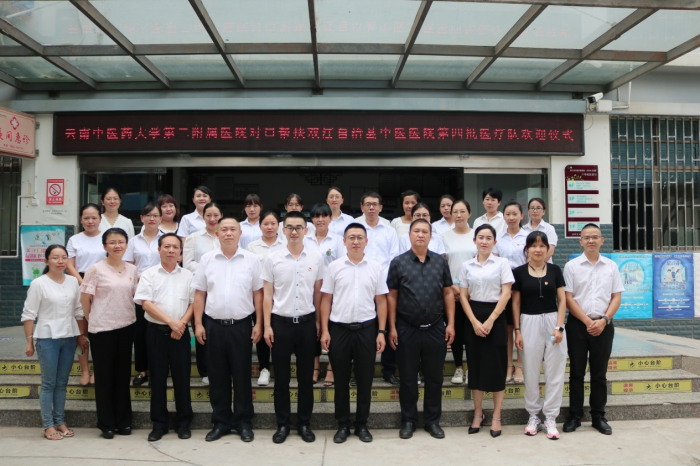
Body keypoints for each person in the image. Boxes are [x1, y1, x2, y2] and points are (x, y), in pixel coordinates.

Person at [192, 217, 263, 443]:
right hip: (214, 326)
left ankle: (243, 422)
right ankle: (221, 422)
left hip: (241, 326)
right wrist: (198, 324)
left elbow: (258, 294)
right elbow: (199, 293)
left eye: (233, 229)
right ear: (217, 233)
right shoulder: (207, 259)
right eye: (224, 229)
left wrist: (259, 323)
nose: (229, 233)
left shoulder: (252, 260)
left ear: (240, 233)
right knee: (217, 376)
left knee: (242, 376)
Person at [320, 223, 388, 443]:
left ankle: (361, 424)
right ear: (344, 241)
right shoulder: (334, 267)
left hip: (367, 330)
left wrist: (381, 331)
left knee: (365, 379)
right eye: (351, 237)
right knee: (340, 380)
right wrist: (324, 330)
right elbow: (326, 300)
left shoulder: (375, 267)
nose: (356, 241)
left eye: (360, 237)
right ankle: (342, 424)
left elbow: (381, 301)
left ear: (366, 241)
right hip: (339, 329)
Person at [387, 218, 455, 440]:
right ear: (409, 235)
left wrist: (451, 324)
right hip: (407, 328)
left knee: (434, 378)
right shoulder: (398, 263)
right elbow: (392, 296)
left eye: (425, 231)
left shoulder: (440, 262)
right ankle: (408, 420)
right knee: (408, 378)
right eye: (416, 231)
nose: (420, 234)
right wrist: (392, 327)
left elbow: (447, 293)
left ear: (430, 236)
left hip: (435, 328)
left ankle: (432, 421)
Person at [262, 211, 324, 444]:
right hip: (281, 324)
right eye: (290, 227)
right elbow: (267, 295)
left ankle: (304, 423)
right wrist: (267, 325)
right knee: (282, 379)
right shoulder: (272, 258)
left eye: (299, 227)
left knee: (306, 379)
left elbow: (318, 293)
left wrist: (319, 322)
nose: (294, 231)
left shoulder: (316, 258)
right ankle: (283, 424)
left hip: (307, 324)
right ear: (283, 230)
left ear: (306, 231)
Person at [22, 245, 88, 440]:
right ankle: (48, 425)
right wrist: (29, 342)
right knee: (49, 383)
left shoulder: (73, 281)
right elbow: (29, 314)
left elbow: (78, 311)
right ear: (46, 261)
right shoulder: (38, 283)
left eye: (64, 257)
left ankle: (59, 421)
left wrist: (81, 335)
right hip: (47, 338)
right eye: (55, 257)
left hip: (69, 338)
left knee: (62, 382)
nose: (60, 261)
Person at [563, 223, 623, 435]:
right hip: (577, 326)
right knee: (576, 372)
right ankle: (575, 415)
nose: (591, 240)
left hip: (604, 325)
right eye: (586, 237)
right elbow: (568, 298)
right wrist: (588, 322)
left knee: (599, 374)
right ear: (580, 241)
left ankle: (598, 416)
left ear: (601, 240)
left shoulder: (611, 266)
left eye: (595, 237)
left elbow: (616, 297)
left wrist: (604, 320)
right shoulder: (571, 266)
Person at [134, 233, 195, 442]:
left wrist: (181, 324)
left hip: (180, 333)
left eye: (175, 247)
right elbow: (146, 304)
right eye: (167, 246)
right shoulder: (149, 274)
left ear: (180, 252)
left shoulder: (188, 275)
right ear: (159, 249)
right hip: (156, 333)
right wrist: (171, 322)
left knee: (182, 379)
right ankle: (159, 424)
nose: (171, 250)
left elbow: (193, 303)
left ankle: (183, 422)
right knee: (157, 379)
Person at [79, 228, 138, 439]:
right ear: (105, 246)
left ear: (126, 245)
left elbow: (133, 295)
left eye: (121, 242)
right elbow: (85, 299)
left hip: (127, 325)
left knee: (122, 375)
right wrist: (91, 319)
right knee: (104, 377)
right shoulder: (95, 269)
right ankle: (107, 424)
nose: (117, 246)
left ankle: (123, 421)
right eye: (112, 242)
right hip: (102, 329)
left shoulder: (132, 269)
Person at [459, 224, 514, 438]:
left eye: (488, 238)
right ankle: (478, 413)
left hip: (496, 316)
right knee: (476, 366)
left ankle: (497, 415)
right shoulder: (466, 265)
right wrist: (474, 321)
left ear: (494, 242)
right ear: (474, 241)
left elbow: (506, 294)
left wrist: (491, 320)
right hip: (473, 317)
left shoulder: (502, 263)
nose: (484, 241)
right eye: (480, 237)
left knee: (497, 366)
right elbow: (464, 296)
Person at [513, 231, 567, 440]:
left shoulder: (555, 270)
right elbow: (516, 303)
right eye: (533, 246)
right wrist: (518, 330)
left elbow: (562, 300)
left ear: (547, 249)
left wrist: (559, 327)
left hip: (553, 322)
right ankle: (534, 415)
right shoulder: (518, 272)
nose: (538, 249)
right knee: (531, 371)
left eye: (542, 246)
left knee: (555, 371)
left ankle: (551, 417)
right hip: (528, 322)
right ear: (527, 249)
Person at [355, 192, 400, 386]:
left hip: (385, 286)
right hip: (360, 284)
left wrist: (380, 280)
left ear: (381, 207)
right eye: (368, 204)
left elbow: (394, 258)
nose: (371, 207)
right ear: (362, 207)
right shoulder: (355, 228)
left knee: (388, 327)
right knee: (361, 329)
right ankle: (359, 372)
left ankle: (388, 370)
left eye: (375, 204)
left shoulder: (389, 230)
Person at [304, 203, 346, 386]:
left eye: (324, 216)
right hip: (309, 290)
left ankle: (331, 367)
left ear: (330, 218)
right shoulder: (305, 239)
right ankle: (315, 366)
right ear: (312, 219)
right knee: (313, 328)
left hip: (332, 292)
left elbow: (342, 264)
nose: (320, 220)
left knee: (332, 329)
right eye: (316, 216)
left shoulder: (338, 240)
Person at [124, 202, 165, 388]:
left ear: (161, 218)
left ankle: (159, 369)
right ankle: (142, 370)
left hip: (163, 289)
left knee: (160, 331)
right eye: (148, 215)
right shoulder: (133, 242)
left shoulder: (166, 239)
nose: (152, 219)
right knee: (140, 332)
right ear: (142, 218)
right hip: (140, 291)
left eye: (155, 215)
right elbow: (127, 266)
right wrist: (142, 277)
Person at [246, 211, 286, 387]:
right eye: (265, 224)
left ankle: (280, 367)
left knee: (279, 332)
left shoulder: (285, 245)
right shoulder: (252, 247)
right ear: (260, 226)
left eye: (273, 223)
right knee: (261, 329)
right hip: (259, 295)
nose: (269, 227)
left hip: (282, 295)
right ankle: (264, 368)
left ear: (279, 226)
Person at [66, 203, 104, 386]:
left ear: (100, 219)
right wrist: (84, 284)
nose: (90, 221)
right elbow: (69, 265)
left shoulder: (107, 237)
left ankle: (97, 369)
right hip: (79, 283)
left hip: (103, 285)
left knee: (99, 331)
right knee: (82, 331)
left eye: (94, 218)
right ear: (81, 219)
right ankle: (84, 370)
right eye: (86, 218)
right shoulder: (74, 239)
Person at [441, 200, 476, 385]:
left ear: (469, 214)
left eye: (463, 211)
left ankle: (471, 368)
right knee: (455, 330)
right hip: (452, 292)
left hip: (473, 293)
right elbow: (442, 265)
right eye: (455, 211)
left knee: (471, 332)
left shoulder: (476, 235)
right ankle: (458, 368)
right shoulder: (444, 237)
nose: (459, 215)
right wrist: (452, 287)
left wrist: (468, 289)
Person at [493, 201, 528, 385]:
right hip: (504, 285)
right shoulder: (498, 238)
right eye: (508, 214)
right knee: (507, 327)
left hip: (524, 284)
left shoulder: (528, 236)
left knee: (522, 326)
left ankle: (520, 364)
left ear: (522, 216)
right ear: (503, 216)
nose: (511, 217)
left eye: (515, 214)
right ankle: (508, 364)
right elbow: (495, 262)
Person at [522, 197, 558, 263]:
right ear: (528, 211)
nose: (535, 211)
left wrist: (536, 265)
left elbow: (550, 251)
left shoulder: (549, 228)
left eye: (538, 208)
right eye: (532, 208)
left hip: (545, 266)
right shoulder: (523, 229)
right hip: (526, 266)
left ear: (543, 211)